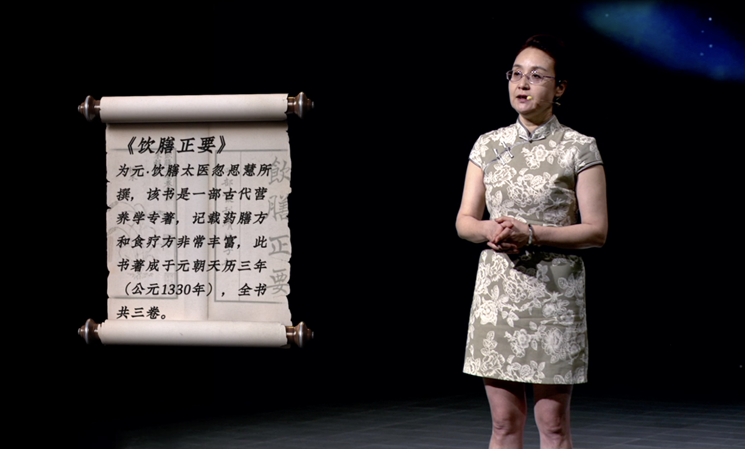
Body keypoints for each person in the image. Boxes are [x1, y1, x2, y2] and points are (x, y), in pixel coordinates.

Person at [455, 35, 608, 449]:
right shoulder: (488, 144)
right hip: (498, 295)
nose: (523, 84)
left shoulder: (579, 147)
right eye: (516, 74)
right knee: (504, 424)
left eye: (537, 76)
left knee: (552, 425)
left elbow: (597, 230)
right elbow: (464, 222)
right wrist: (490, 230)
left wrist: (533, 232)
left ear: (560, 88)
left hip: (554, 296)